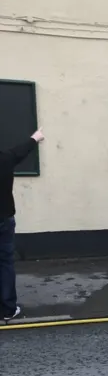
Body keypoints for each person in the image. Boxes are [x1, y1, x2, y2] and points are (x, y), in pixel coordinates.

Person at [0, 129, 45, 321]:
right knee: (5, 263)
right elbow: (21, 150)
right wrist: (35, 138)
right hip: (4, 220)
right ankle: (8, 309)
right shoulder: (5, 159)